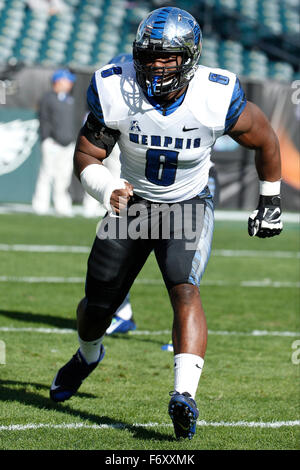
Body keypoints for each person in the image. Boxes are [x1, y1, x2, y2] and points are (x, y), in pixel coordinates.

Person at [50, 7, 282, 441]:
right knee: (96, 309)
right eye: (149, 55)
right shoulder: (114, 86)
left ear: (189, 57)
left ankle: (184, 395)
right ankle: (88, 353)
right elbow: (86, 156)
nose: (156, 65)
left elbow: (265, 137)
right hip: (132, 204)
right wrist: (105, 188)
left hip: (187, 205)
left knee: (185, 288)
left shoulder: (215, 95)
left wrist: (270, 198)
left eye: (168, 56)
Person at [32, 69, 76, 216]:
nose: (70, 84)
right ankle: (40, 206)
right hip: (52, 143)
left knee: (63, 177)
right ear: (58, 81)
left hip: (68, 144)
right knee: (46, 175)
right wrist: (47, 139)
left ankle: (62, 206)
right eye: (67, 81)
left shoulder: (70, 99)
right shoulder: (47, 98)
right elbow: (43, 120)